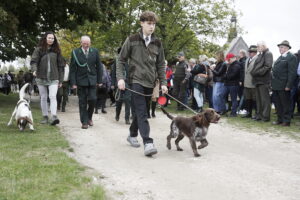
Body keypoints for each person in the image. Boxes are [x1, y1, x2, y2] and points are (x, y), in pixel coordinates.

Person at [117, 11, 168, 156]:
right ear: (142, 23)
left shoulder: (157, 43)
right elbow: (120, 60)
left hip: (150, 82)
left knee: (142, 111)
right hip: (135, 81)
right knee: (142, 112)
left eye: (154, 24)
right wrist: (120, 78)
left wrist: (163, 82)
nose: (152, 27)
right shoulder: (132, 39)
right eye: (149, 23)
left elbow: (161, 65)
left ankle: (132, 135)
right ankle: (148, 142)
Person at [30, 31, 65, 125]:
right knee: (44, 97)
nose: (51, 40)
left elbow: (61, 66)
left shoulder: (57, 51)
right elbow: (33, 61)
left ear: (54, 40)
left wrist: (61, 80)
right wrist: (34, 70)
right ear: (45, 38)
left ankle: (54, 116)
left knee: (53, 96)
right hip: (41, 77)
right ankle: (45, 116)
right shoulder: (39, 49)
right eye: (49, 38)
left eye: (52, 38)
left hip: (54, 78)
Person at [70, 35, 103, 129]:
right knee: (82, 102)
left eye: (87, 43)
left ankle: (89, 117)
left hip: (92, 80)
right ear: (81, 43)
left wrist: (99, 80)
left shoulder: (95, 51)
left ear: (90, 43)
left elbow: (99, 67)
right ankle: (84, 122)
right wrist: (73, 83)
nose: (86, 45)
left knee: (93, 99)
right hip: (80, 81)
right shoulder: (75, 52)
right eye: (84, 43)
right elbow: (72, 69)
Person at [271, 40, 298, 126]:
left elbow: (292, 73)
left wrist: (288, 85)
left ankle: (286, 121)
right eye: (279, 47)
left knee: (285, 104)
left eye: (282, 47)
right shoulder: (280, 57)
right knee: (278, 104)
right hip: (276, 85)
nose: (280, 48)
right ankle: (280, 119)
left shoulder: (291, 57)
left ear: (287, 48)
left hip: (284, 85)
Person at [251, 41, 273, 122]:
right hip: (257, 80)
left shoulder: (268, 53)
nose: (257, 48)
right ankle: (259, 115)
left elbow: (268, 66)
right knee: (259, 100)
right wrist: (254, 72)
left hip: (264, 80)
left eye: (258, 46)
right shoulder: (260, 54)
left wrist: (257, 72)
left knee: (265, 100)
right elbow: (256, 66)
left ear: (263, 46)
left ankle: (265, 117)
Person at [111, 48, 131, 124]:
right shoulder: (116, 62)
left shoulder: (129, 61)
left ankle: (127, 118)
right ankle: (117, 114)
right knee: (119, 101)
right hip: (119, 84)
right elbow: (113, 74)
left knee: (128, 101)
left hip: (128, 84)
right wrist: (113, 84)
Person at [242, 45, 258, 118]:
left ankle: (256, 114)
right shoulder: (248, 59)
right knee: (248, 99)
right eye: (249, 52)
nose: (249, 53)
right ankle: (249, 113)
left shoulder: (257, 59)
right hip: (246, 82)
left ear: (255, 52)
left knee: (255, 99)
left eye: (251, 52)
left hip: (253, 82)